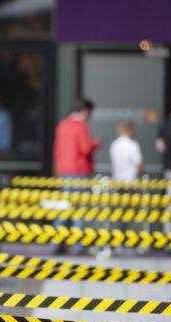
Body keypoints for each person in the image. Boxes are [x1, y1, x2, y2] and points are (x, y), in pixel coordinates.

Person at [52, 98, 101, 255]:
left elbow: (57, 150)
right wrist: (97, 144)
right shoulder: (81, 127)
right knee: (80, 210)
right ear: (85, 110)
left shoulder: (62, 125)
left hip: (65, 171)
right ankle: (78, 246)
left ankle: (56, 243)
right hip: (80, 171)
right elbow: (86, 149)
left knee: (65, 208)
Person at [156, 95, 171, 236]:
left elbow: (160, 147)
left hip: (168, 169)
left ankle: (168, 238)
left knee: (170, 205)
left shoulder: (164, 125)